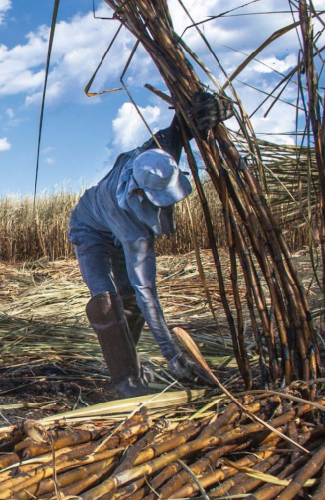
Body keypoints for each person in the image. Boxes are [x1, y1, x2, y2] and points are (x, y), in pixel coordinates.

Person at [68, 91, 233, 398]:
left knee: (129, 300)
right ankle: (125, 380)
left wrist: (208, 108)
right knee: (106, 302)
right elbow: (148, 291)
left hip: (112, 228)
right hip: (89, 230)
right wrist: (172, 354)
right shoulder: (130, 223)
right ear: (140, 195)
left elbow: (177, 131)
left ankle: (125, 359)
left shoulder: (153, 157)